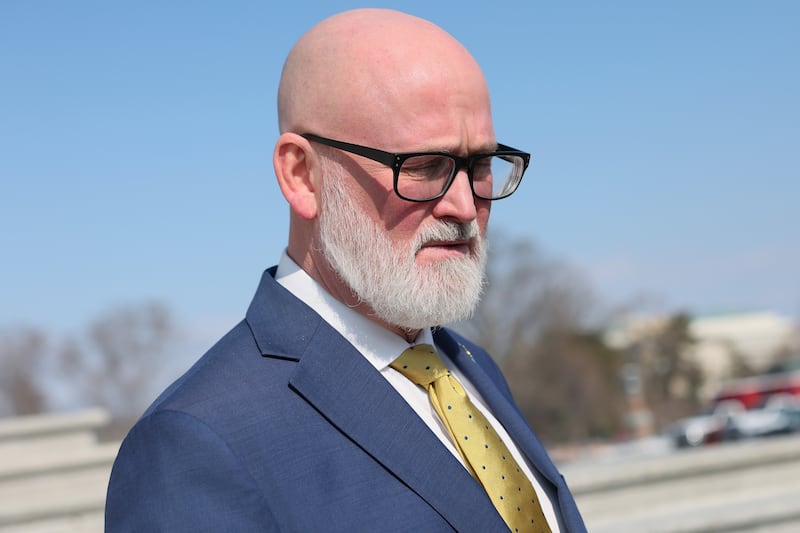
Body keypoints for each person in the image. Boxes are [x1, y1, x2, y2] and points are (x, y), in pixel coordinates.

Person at [105, 8, 586, 532]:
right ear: (302, 175)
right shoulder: (197, 443)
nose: (465, 207)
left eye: (481, 166)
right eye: (424, 166)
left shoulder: (472, 369)